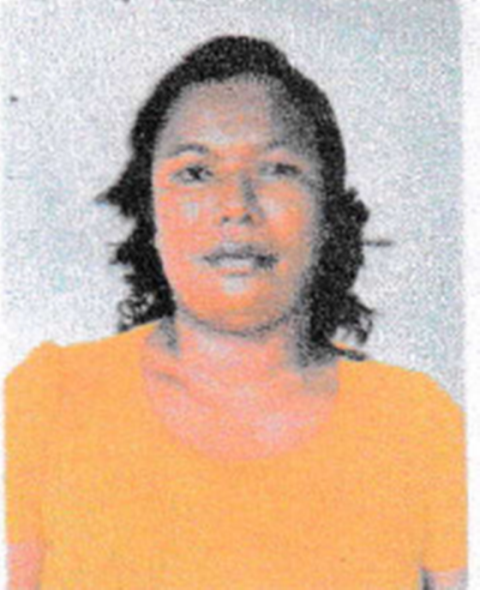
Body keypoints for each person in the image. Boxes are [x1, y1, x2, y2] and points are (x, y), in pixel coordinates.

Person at [6, 36, 466, 589]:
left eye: (277, 169)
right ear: (149, 211)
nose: (236, 207)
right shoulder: (48, 401)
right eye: (196, 172)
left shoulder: (417, 424)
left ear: (328, 213)